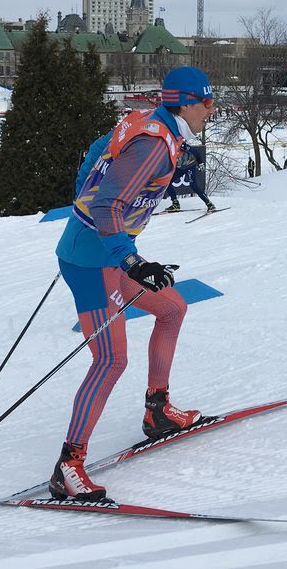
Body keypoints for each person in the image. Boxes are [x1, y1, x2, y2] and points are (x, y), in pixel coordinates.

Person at [49, 66, 214, 501]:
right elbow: (107, 208)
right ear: (185, 103)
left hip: (105, 253)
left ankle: (157, 410)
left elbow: (94, 153)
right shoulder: (155, 143)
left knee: (173, 309)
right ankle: (68, 465)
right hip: (90, 262)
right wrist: (131, 260)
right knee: (110, 360)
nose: (211, 111)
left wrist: (89, 206)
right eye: (206, 103)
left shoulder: (149, 124)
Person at [161, 140, 215, 213]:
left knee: (194, 186)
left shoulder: (181, 145)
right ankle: (175, 203)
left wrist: (200, 163)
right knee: (167, 182)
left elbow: (196, 152)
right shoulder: (165, 148)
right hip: (180, 167)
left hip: (190, 166)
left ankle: (209, 204)